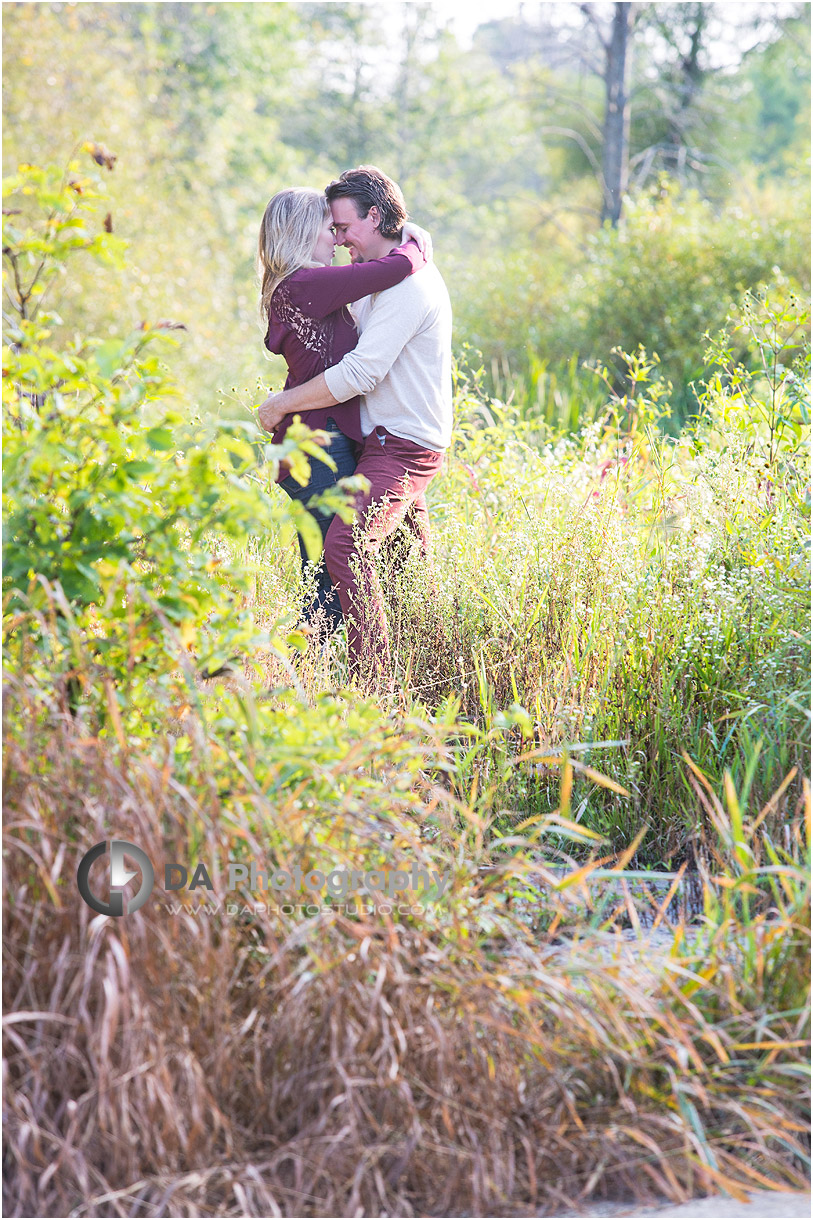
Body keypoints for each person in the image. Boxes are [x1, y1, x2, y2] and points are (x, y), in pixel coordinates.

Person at [258, 166, 453, 689]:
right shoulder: (350, 279)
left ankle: (380, 684)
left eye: (343, 227)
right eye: (331, 228)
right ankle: (370, 682)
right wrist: (414, 246)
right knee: (374, 566)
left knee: (346, 553)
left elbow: (361, 371)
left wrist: (280, 404)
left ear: (374, 215)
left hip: (396, 443)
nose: (340, 239)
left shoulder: (402, 282)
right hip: (351, 443)